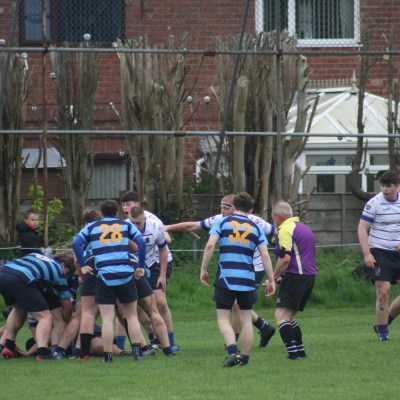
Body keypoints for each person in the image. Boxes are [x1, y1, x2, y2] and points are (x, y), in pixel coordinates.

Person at [165, 194, 277, 348]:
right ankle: (263, 328)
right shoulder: (221, 219)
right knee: (238, 306)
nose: (223, 211)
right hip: (233, 268)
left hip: (254, 266)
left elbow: (276, 232)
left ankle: (232, 344)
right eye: (221, 207)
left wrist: (283, 248)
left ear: (235, 208)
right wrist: (168, 227)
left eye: (226, 208)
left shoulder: (255, 221)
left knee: (237, 306)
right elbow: (193, 226)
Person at [200, 192, 276, 367]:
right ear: (250, 210)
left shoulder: (222, 223)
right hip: (247, 278)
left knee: (223, 318)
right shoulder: (256, 228)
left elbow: (210, 245)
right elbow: (265, 256)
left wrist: (204, 269)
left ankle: (233, 352)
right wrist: (271, 279)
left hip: (226, 278)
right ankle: (245, 359)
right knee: (246, 319)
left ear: (234, 206)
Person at [73, 199, 147, 363]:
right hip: (126, 274)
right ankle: (138, 353)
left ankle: (108, 356)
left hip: (104, 276)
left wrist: (83, 266)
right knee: (131, 316)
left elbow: (76, 243)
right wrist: (141, 266)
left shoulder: (92, 227)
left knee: (107, 318)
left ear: (101, 213)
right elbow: (141, 242)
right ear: (117, 212)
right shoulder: (125, 225)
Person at [120, 190, 180, 351]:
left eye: (128, 204)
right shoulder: (124, 226)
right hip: (136, 266)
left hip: (155, 264)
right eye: (123, 205)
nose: (125, 207)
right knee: (137, 306)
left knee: (159, 302)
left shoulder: (153, 222)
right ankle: (154, 339)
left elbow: (165, 244)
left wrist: (162, 275)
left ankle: (170, 342)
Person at [0, 252, 73, 361]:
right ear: (62, 265)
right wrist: (67, 321)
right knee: (45, 317)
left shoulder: (36, 255)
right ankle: (42, 353)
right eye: (67, 273)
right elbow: (67, 305)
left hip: (4, 274)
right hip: (22, 278)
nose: (66, 277)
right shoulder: (59, 270)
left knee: (18, 309)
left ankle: (9, 347)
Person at [358, 170, 400, 341]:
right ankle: (383, 334)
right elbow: (362, 228)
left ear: (397, 186)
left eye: (388, 186)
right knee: (384, 291)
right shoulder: (374, 203)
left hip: (398, 252)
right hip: (379, 251)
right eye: (382, 186)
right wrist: (367, 253)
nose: (384, 189)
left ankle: (384, 323)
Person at [271, 201, 316, 360]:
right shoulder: (304, 228)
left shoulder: (285, 229)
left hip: (296, 276)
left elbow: (285, 259)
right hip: (309, 277)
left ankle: (293, 354)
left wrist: (273, 278)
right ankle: (300, 353)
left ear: (277, 217)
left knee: (281, 315)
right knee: (289, 317)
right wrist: (282, 276)